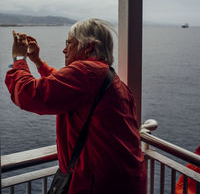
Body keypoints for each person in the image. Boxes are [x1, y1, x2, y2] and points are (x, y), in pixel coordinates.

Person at [5, 18, 147, 194]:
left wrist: (18, 58)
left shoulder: (86, 72)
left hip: (100, 185)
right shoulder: (104, 75)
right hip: (124, 180)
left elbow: (28, 95)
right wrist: (38, 62)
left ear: (88, 47)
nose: (64, 49)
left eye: (69, 43)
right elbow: (66, 87)